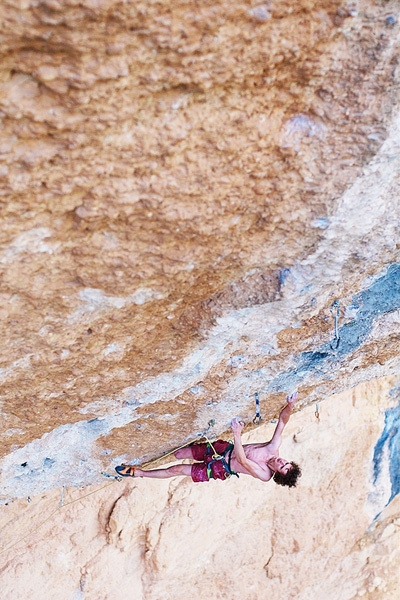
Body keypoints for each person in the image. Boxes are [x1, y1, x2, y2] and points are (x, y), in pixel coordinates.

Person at [115, 392, 302, 487]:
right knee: (180, 453)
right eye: (286, 462)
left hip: (221, 468)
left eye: (282, 467)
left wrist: (237, 433)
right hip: (223, 450)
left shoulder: (264, 474)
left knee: (178, 469)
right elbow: (282, 421)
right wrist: (291, 404)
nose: (281, 461)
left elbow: (243, 461)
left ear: (277, 473)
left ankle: (139, 473)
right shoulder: (273, 448)